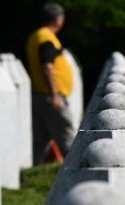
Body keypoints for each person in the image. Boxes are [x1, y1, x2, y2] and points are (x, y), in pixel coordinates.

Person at [26, 3, 76, 161]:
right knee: (67, 135)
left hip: (40, 95)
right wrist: (55, 94)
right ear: (57, 19)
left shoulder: (36, 36)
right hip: (51, 96)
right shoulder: (46, 37)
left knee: (40, 141)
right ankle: (76, 173)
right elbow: (47, 65)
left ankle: (35, 175)